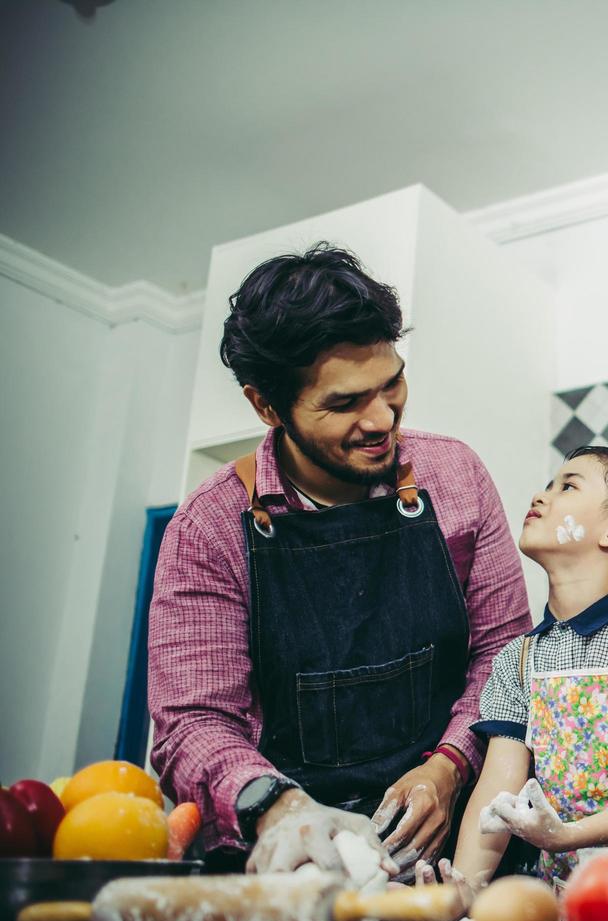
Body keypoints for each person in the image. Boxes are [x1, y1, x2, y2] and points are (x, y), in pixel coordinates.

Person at [148, 245, 531, 878]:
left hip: (449, 855)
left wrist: (450, 765)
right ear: (267, 406)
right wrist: (280, 809)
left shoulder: (456, 477)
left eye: (392, 384)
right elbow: (193, 722)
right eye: (344, 403)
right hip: (288, 866)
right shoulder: (209, 527)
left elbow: (504, 656)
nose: (382, 419)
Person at [420, 446, 608, 905]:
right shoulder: (519, 658)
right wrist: (464, 890)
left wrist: (568, 835)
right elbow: (499, 792)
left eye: (568, 486)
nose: (542, 495)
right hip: (567, 898)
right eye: (550, 483)